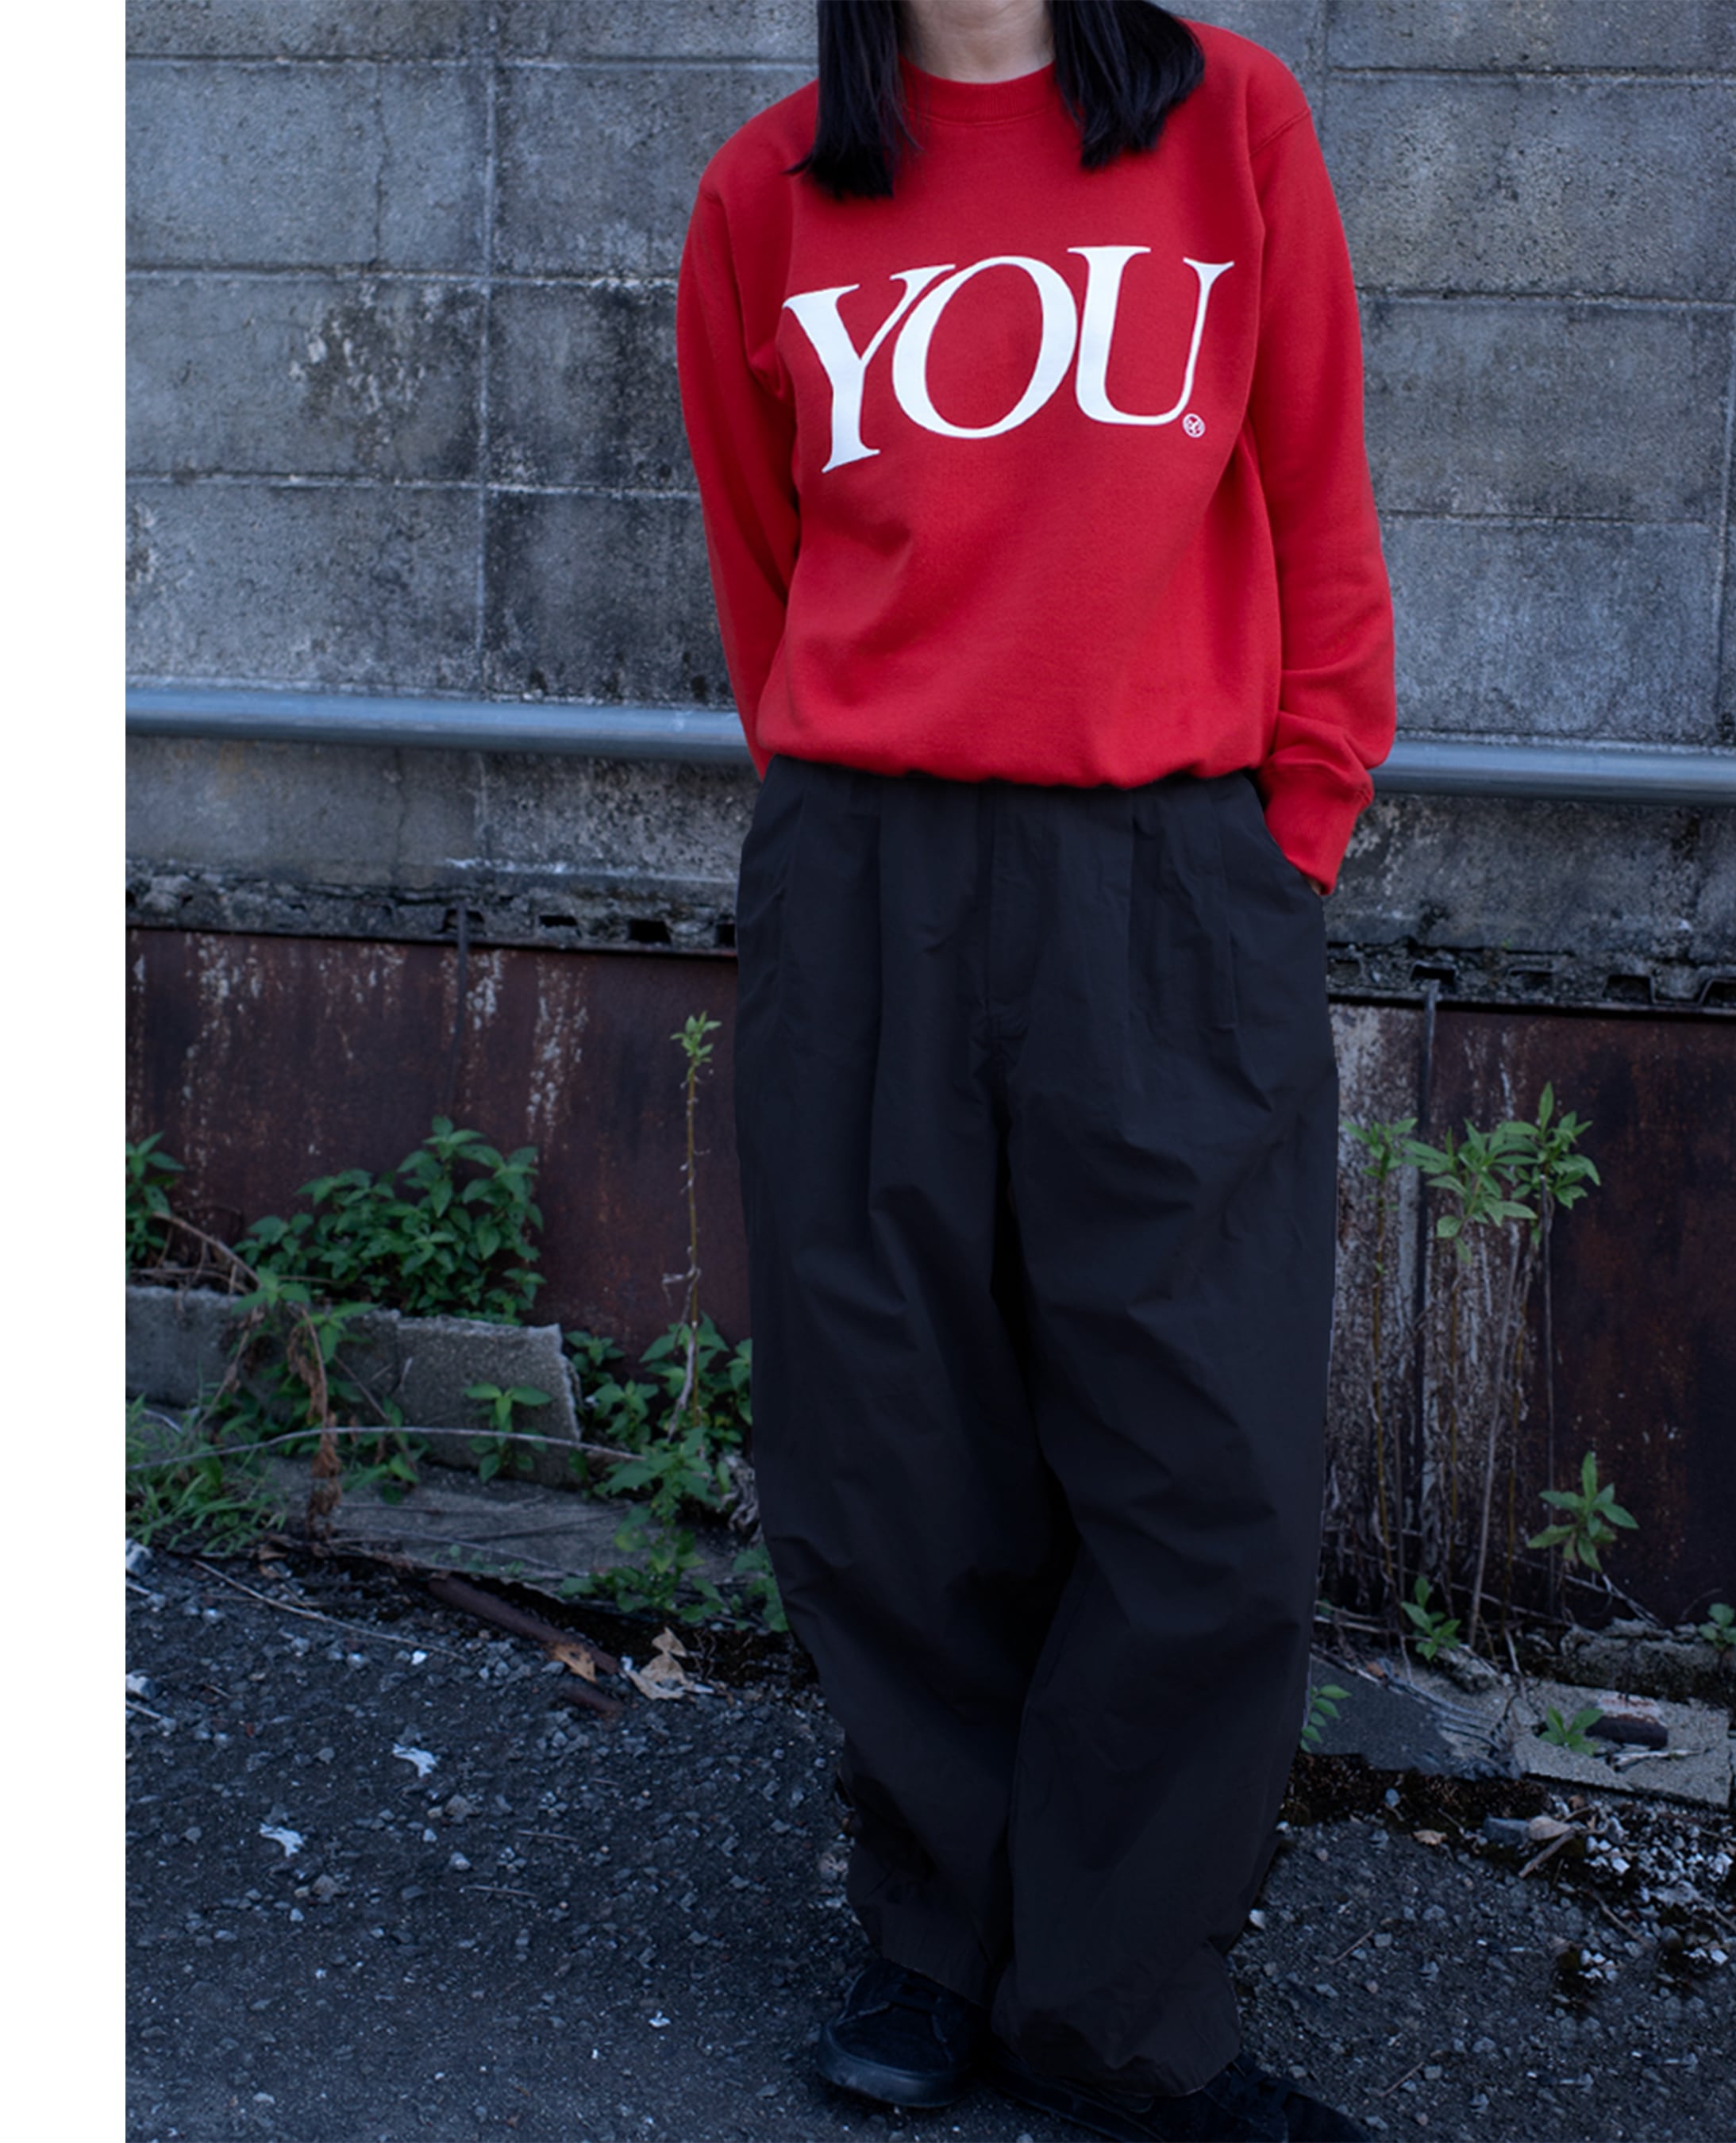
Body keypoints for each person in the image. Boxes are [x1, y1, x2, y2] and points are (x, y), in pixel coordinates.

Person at [676, 3, 1394, 2137]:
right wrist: (854, 809)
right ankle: (939, 1937)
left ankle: (1120, 1995)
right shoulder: (767, 191)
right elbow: (760, 558)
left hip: (1165, 880)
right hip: (868, 877)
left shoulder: (1229, 124)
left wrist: (1289, 831)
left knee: (1206, 1473)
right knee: (887, 1450)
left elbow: (1314, 488)